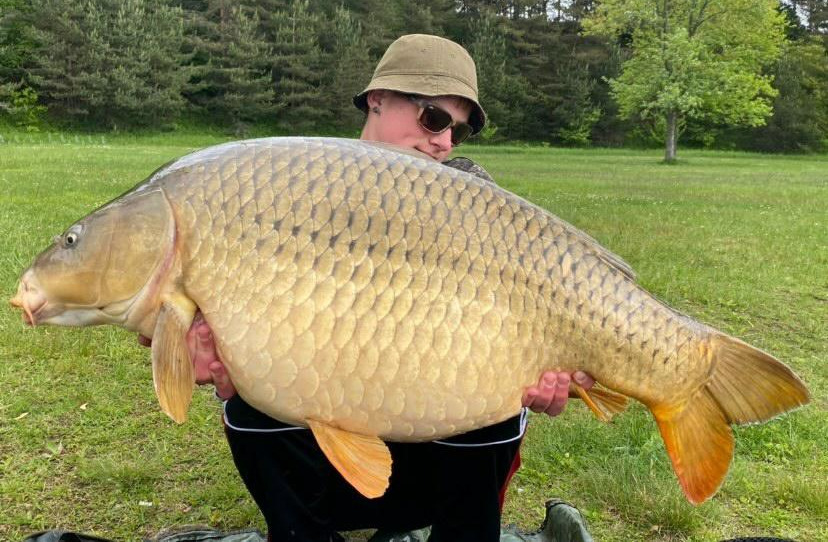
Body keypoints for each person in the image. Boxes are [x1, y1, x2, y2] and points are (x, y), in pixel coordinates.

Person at [143, 34, 595, 542]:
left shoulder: (473, 198)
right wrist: (204, 349)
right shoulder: (296, 186)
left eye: (458, 130)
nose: (445, 141)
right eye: (434, 119)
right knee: (249, 404)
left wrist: (554, 373)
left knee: (498, 407)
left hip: (433, 455)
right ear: (377, 99)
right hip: (326, 462)